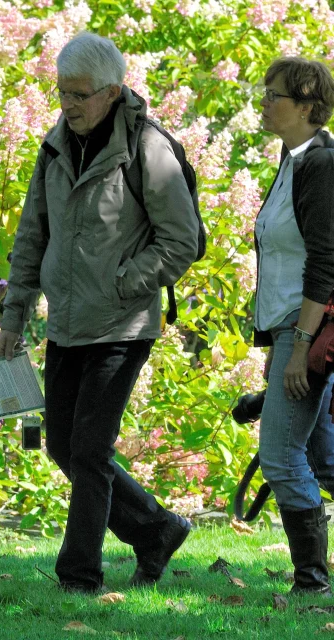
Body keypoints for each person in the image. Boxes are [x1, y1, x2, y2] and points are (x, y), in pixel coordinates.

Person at [0, 32, 199, 594]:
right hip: (65, 323)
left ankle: (78, 575)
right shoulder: (54, 145)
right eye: (62, 93)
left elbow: (181, 241)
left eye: (80, 95)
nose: (69, 105)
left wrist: (121, 284)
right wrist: (13, 317)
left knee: (89, 449)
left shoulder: (147, 149)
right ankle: (156, 528)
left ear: (112, 92)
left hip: (120, 323)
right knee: (61, 445)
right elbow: (32, 233)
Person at [254, 56, 334, 595]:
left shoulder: (321, 165)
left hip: (304, 329)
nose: (264, 102)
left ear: (307, 107)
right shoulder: (291, 160)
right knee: (319, 457)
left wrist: (300, 342)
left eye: (274, 95)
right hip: (287, 326)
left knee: (280, 455)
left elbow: (325, 261)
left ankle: (311, 583)